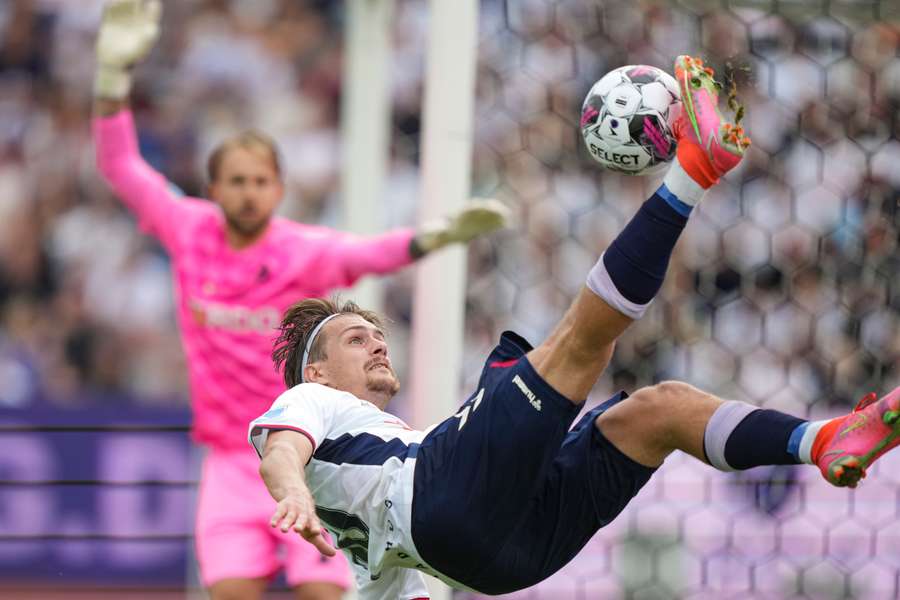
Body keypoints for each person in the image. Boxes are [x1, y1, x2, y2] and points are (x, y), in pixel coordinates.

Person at [248, 54, 900, 599]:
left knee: (659, 410)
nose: (377, 340)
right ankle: (693, 171)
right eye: (354, 338)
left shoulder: (367, 474)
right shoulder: (309, 402)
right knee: (573, 343)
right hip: (446, 499)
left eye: (374, 331)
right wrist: (290, 495)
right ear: (317, 370)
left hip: (496, 559)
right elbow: (281, 452)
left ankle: (825, 440)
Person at [91, 2, 508, 599]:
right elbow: (120, 166)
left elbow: (370, 253)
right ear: (213, 189)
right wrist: (111, 81)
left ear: (279, 188)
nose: (249, 192)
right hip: (229, 460)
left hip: (308, 450)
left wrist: (433, 237)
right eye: (236, 181)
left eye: (261, 181)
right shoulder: (187, 230)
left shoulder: (301, 250)